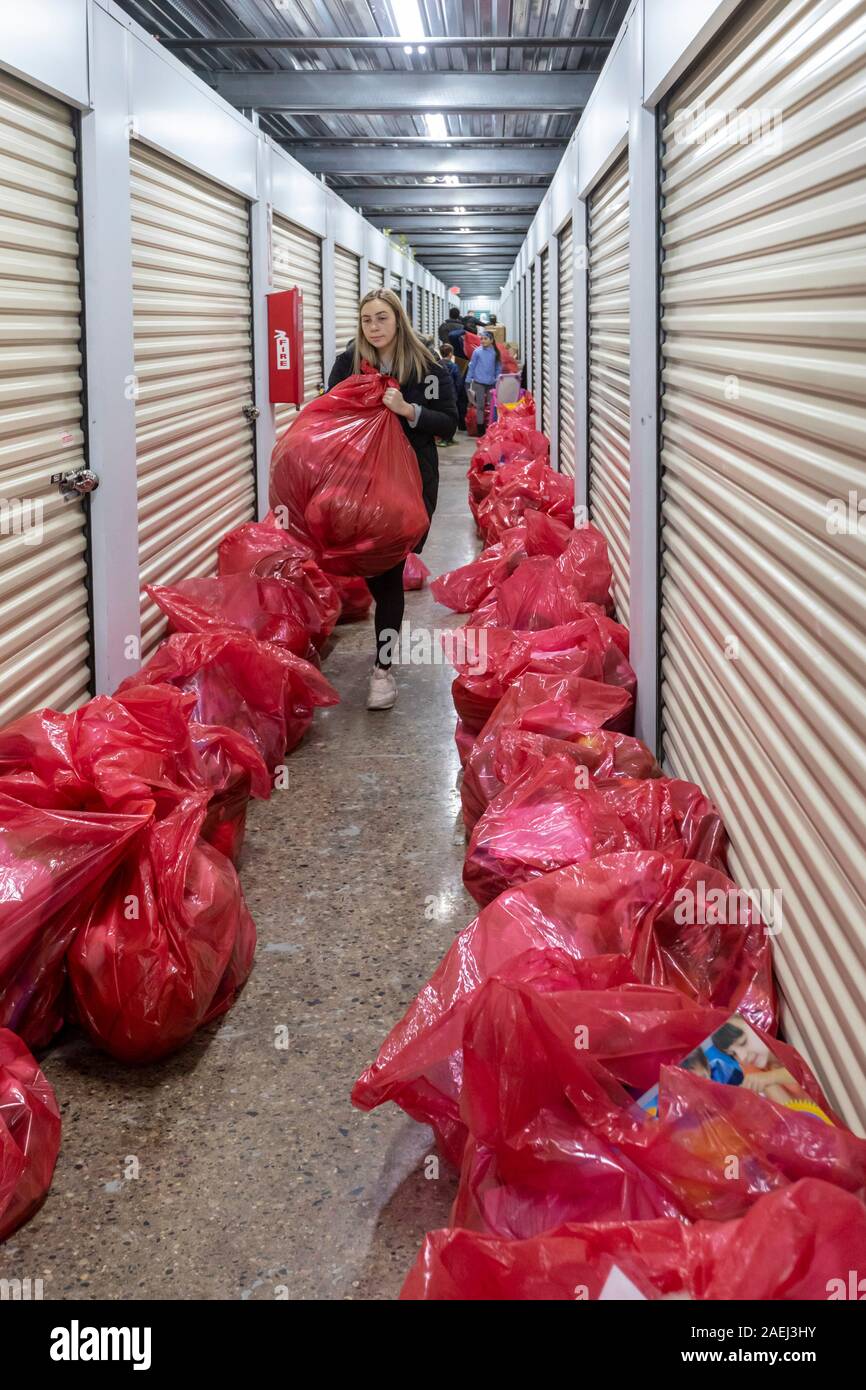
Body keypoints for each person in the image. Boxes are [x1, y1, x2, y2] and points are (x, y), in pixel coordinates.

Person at [327, 288, 458, 710]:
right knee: (367, 566)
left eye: (382, 318)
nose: (375, 327)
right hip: (358, 482)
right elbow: (329, 412)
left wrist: (407, 409)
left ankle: (382, 670)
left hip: (408, 485)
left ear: (397, 320)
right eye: (367, 319)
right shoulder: (348, 364)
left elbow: (448, 424)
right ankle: (384, 657)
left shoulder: (426, 366)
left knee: (387, 574)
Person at [465, 329, 502, 436]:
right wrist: (468, 379)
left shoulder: (496, 353)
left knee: (493, 406)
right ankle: (480, 429)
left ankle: (491, 426)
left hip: (491, 383)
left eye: (485, 338)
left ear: (491, 340)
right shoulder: (477, 352)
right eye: (481, 338)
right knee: (480, 406)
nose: (482, 340)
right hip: (479, 382)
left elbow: (498, 368)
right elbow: (472, 366)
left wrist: (497, 379)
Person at [439, 342, 467, 430]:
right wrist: (457, 393)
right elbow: (459, 382)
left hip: (440, 393)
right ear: (451, 354)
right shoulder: (454, 366)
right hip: (451, 393)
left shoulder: (437, 364)